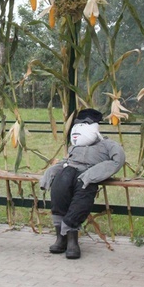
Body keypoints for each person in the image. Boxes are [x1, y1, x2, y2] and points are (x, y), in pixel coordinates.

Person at [39, 108, 126, 259]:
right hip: (69, 170)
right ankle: (61, 238)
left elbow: (118, 160)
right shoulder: (76, 146)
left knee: (82, 198)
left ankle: (72, 241)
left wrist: (93, 174)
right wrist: (51, 173)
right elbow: (67, 161)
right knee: (59, 187)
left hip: (87, 175)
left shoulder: (107, 145)